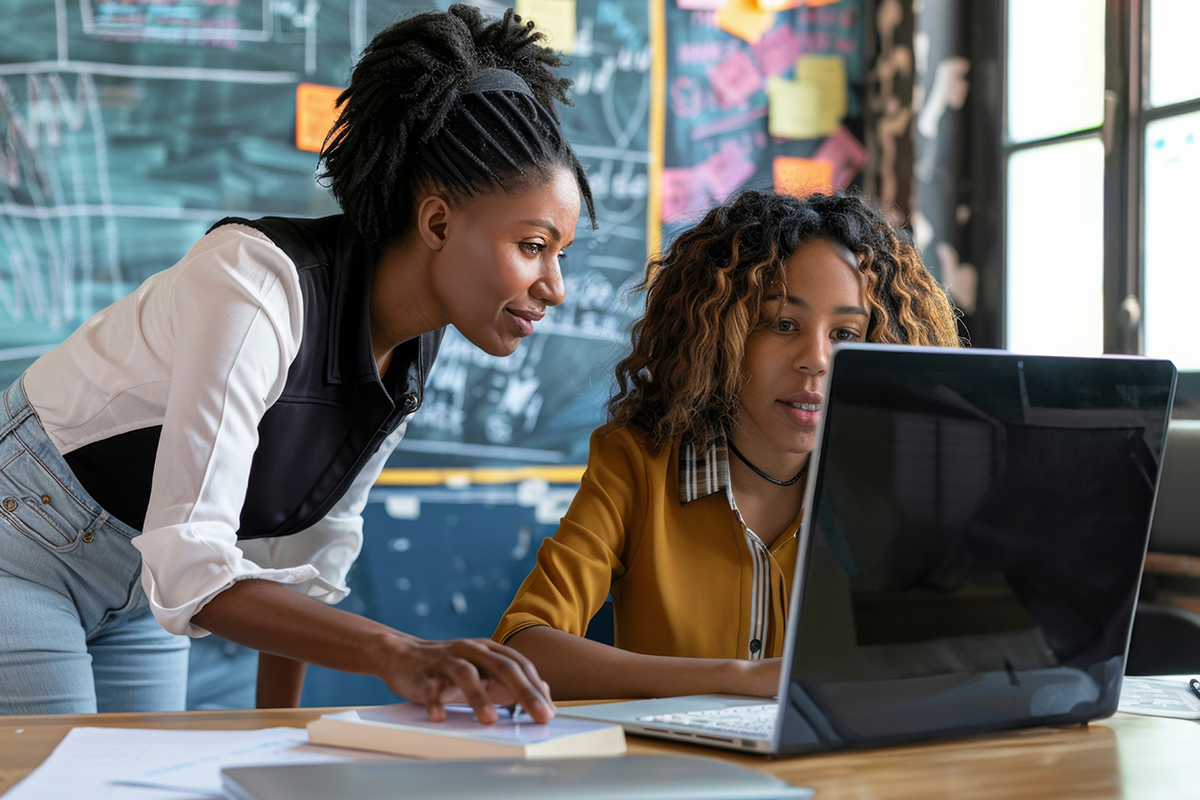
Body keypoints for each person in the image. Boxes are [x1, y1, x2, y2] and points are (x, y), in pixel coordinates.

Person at [0, 4, 595, 721]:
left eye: (560, 254)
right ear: (438, 222)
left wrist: (276, 733)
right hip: (26, 544)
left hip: (146, 578)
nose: (554, 287)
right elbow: (193, 564)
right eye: (533, 246)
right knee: (60, 781)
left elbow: (303, 567)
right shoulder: (255, 286)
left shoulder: (409, 347)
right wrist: (399, 654)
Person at [492, 189, 962, 700]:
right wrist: (739, 680)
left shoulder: (892, 483)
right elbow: (521, 651)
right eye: (784, 324)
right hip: (677, 776)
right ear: (724, 334)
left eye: (846, 335)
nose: (818, 360)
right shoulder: (637, 463)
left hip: (836, 774)